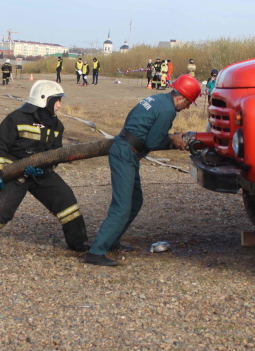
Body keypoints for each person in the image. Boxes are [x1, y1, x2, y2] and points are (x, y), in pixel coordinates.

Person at [84, 75, 201, 266]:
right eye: (188, 103)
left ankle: (112, 240)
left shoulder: (156, 99)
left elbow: (138, 124)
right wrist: (174, 141)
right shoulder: (168, 110)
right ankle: (96, 252)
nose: (187, 107)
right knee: (121, 207)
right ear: (180, 98)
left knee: (135, 201)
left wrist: (170, 137)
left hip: (126, 150)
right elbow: (153, 142)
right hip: (125, 154)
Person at [0, 80, 89, 256]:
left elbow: (55, 155)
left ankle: (78, 242)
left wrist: (44, 170)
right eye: (57, 100)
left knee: (66, 201)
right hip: (13, 174)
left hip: (40, 174)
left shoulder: (57, 126)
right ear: (45, 100)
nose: (59, 105)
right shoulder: (16, 118)